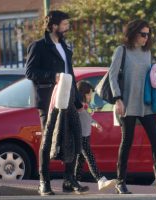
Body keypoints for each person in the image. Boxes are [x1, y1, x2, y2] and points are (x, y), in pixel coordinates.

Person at [109, 19, 156, 194]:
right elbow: (112, 76)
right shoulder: (122, 51)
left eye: (148, 34)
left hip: (147, 105)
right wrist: (118, 99)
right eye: (143, 34)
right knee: (127, 142)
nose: (146, 38)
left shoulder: (147, 53)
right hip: (128, 104)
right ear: (133, 33)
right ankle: (120, 182)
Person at [25, 10, 88, 196]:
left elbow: (71, 74)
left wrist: (78, 101)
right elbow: (30, 73)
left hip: (68, 99)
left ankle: (69, 179)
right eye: (64, 25)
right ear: (53, 26)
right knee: (47, 139)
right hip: (49, 100)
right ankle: (44, 182)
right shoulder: (38, 46)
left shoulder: (65, 47)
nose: (67, 28)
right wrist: (54, 76)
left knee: (72, 137)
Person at [75, 81, 116, 191]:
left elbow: (87, 118)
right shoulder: (79, 106)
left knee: (81, 160)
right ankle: (100, 180)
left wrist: (94, 123)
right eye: (89, 94)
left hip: (86, 135)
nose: (90, 96)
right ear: (83, 94)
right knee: (89, 156)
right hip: (81, 136)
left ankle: (75, 182)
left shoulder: (85, 106)